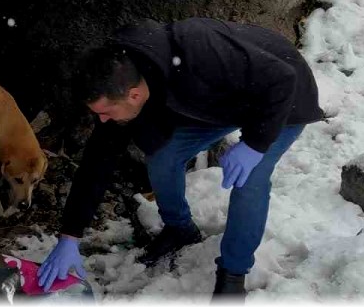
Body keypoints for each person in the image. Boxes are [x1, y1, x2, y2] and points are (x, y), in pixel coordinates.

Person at [35, 17, 325, 299]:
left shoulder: (200, 53)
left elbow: (282, 78)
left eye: (106, 112)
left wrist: (255, 144)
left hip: (283, 97)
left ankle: (232, 275)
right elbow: (97, 162)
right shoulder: (128, 77)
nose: (102, 120)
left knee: (250, 180)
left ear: (134, 95)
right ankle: (180, 229)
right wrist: (69, 237)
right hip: (222, 103)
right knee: (163, 156)